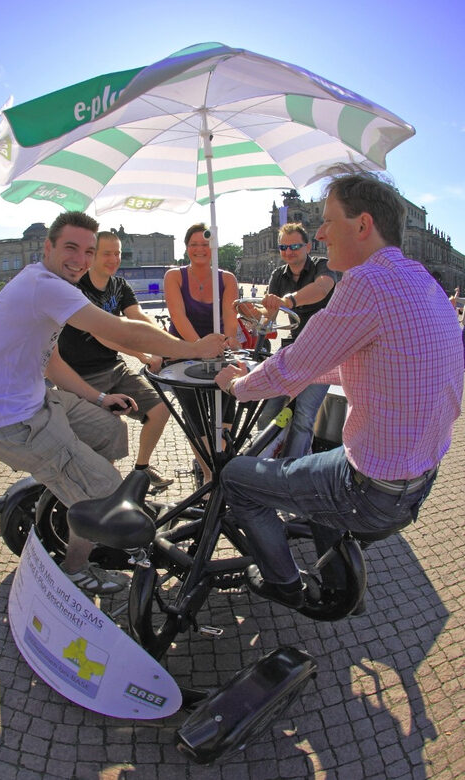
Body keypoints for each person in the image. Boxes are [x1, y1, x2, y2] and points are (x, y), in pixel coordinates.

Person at [215, 173, 463, 609]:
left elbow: (291, 366)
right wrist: (303, 373)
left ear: (363, 225)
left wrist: (236, 385)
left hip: (372, 489)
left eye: (328, 221)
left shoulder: (366, 282)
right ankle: (338, 582)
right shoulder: (422, 280)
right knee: (314, 464)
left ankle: (284, 583)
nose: (321, 234)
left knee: (235, 477)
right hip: (420, 476)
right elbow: (375, 363)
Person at [0, 211, 225, 595]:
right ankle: (76, 566)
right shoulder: (45, 286)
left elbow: (52, 364)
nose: (81, 260)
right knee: (105, 488)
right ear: (48, 247)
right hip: (13, 423)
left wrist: (99, 397)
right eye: (71, 248)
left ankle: (77, 494)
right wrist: (192, 349)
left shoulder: (45, 284)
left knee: (111, 431)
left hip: (38, 402)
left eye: (88, 251)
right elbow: (118, 329)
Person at [58, 231, 172, 489]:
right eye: (107, 253)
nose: (114, 259)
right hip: (80, 376)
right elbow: (103, 334)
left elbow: (138, 317)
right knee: (107, 432)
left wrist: (164, 341)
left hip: (114, 368)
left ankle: (142, 470)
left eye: (117, 253)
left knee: (160, 409)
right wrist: (143, 354)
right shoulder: (77, 288)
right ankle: (107, 489)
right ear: (92, 255)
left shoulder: (119, 285)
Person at [164, 223, 241, 484]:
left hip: (217, 351)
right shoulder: (174, 276)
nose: (199, 249)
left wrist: (226, 341)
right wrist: (199, 347)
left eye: (205, 244)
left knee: (227, 406)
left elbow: (230, 318)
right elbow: (178, 317)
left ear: (214, 247)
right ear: (186, 248)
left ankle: (221, 461)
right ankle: (209, 474)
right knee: (194, 415)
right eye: (193, 244)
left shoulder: (227, 278)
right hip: (183, 352)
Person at [255, 222, 338, 459]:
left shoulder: (323, 265)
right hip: (293, 349)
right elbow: (268, 316)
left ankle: (294, 466)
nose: (288, 251)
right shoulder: (278, 275)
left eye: (294, 246)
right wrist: (252, 313)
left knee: (304, 415)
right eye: (283, 247)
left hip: (323, 353)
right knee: (267, 411)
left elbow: (321, 289)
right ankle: (264, 459)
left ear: (308, 247)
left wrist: (288, 300)